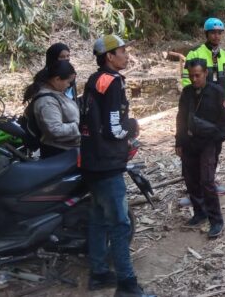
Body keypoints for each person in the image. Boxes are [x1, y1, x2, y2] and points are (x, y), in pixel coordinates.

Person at [79, 35, 155, 297]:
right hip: (107, 164)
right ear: (109, 57)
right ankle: (127, 284)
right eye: (122, 51)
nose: (126, 55)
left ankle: (99, 273)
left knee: (98, 219)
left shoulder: (93, 79)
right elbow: (114, 129)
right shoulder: (112, 83)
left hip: (90, 161)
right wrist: (131, 129)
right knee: (120, 225)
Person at [175, 58, 225, 238]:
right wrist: (179, 141)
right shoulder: (187, 92)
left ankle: (216, 221)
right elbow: (181, 118)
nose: (194, 79)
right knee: (190, 179)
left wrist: (217, 140)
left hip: (208, 143)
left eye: (197, 75)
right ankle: (200, 213)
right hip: (189, 143)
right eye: (191, 76)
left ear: (206, 73)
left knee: (207, 181)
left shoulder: (217, 92)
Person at [180, 17, 225, 197]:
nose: (216, 36)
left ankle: (209, 181)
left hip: (219, 112)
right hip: (199, 110)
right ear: (206, 33)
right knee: (195, 150)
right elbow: (187, 83)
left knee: (215, 148)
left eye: (219, 33)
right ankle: (195, 189)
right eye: (213, 32)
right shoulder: (195, 54)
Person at [22, 60, 80, 158]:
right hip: (60, 153)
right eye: (68, 82)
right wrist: (78, 127)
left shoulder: (55, 92)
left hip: (67, 149)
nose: (69, 85)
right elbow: (54, 129)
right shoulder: (47, 101)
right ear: (57, 79)